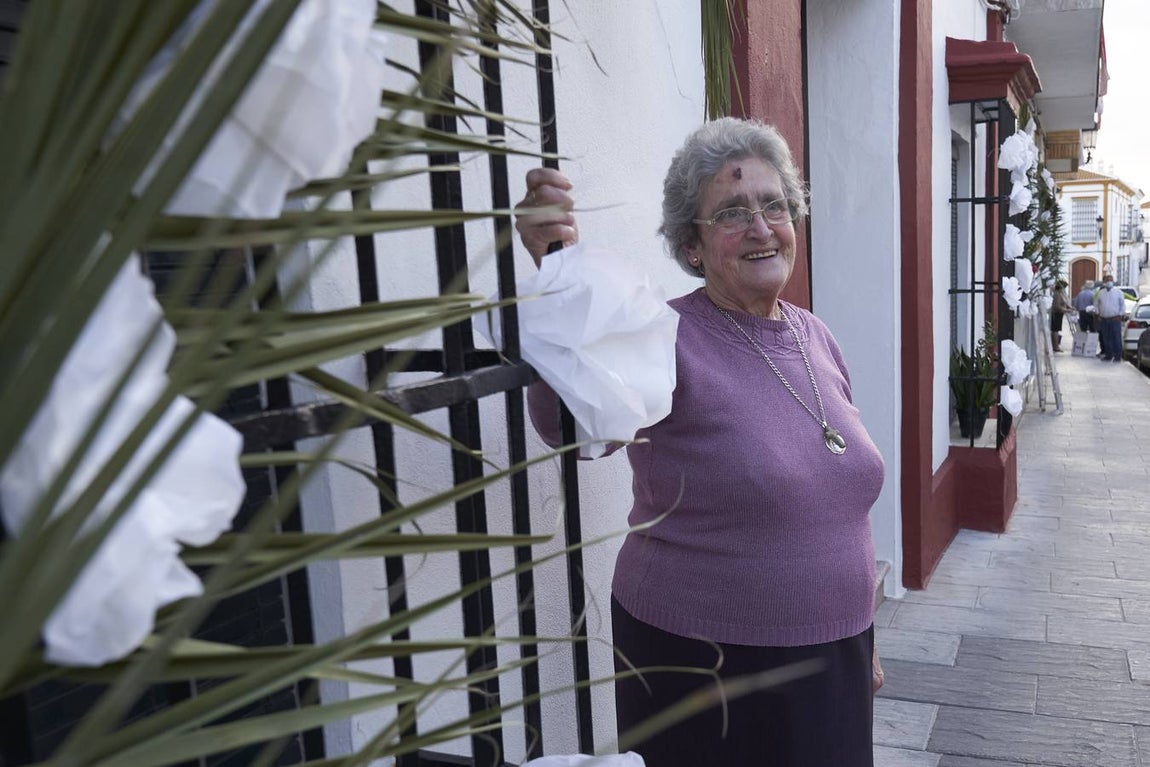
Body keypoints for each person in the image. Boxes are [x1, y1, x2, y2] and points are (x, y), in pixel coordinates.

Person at [514, 118, 885, 766]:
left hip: (836, 657)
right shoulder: (666, 336)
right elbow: (572, 420)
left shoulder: (815, 335)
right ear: (693, 245)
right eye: (733, 213)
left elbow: (843, 501)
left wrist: (864, 636)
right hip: (704, 665)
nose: (762, 227)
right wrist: (557, 265)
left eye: (775, 205)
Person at [1096, 273, 1126, 362]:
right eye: (1107, 280)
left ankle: (1117, 356)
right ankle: (1108, 355)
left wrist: (1120, 314)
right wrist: (1098, 314)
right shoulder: (1101, 293)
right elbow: (1097, 304)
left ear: (1113, 281)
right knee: (1106, 338)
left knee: (1116, 337)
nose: (1109, 282)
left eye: (1110, 280)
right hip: (1104, 319)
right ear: (1104, 282)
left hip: (1115, 319)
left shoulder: (1118, 292)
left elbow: (1122, 305)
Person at [1051, 279, 1072, 351]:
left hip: (1059, 314)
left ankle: (1056, 345)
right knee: (1055, 330)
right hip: (1057, 314)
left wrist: (1069, 307)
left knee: (1057, 330)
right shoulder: (1057, 294)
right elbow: (1057, 306)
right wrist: (1066, 310)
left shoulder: (1059, 293)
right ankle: (1056, 346)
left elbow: (1064, 302)